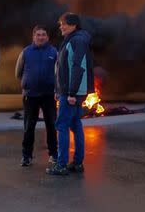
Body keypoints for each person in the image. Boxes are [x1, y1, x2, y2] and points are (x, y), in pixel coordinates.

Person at [47, 13, 95, 175]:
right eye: (61, 24)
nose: (61, 26)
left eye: (64, 24)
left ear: (74, 25)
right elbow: (63, 69)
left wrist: (71, 93)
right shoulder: (72, 40)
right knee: (75, 125)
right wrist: (58, 90)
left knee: (62, 126)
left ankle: (61, 165)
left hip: (71, 92)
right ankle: (77, 163)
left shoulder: (77, 41)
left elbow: (77, 67)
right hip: (68, 91)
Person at [15, 25, 58, 167]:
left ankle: (53, 154)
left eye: (43, 35)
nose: (41, 37)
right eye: (38, 35)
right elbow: (18, 72)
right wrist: (26, 84)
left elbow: (59, 73)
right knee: (29, 126)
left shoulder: (54, 52)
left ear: (47, 37)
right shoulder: (26, 52)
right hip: (30, 95)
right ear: (33, 37)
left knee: (51, 125)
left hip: (49, 95)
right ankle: (26, 156)